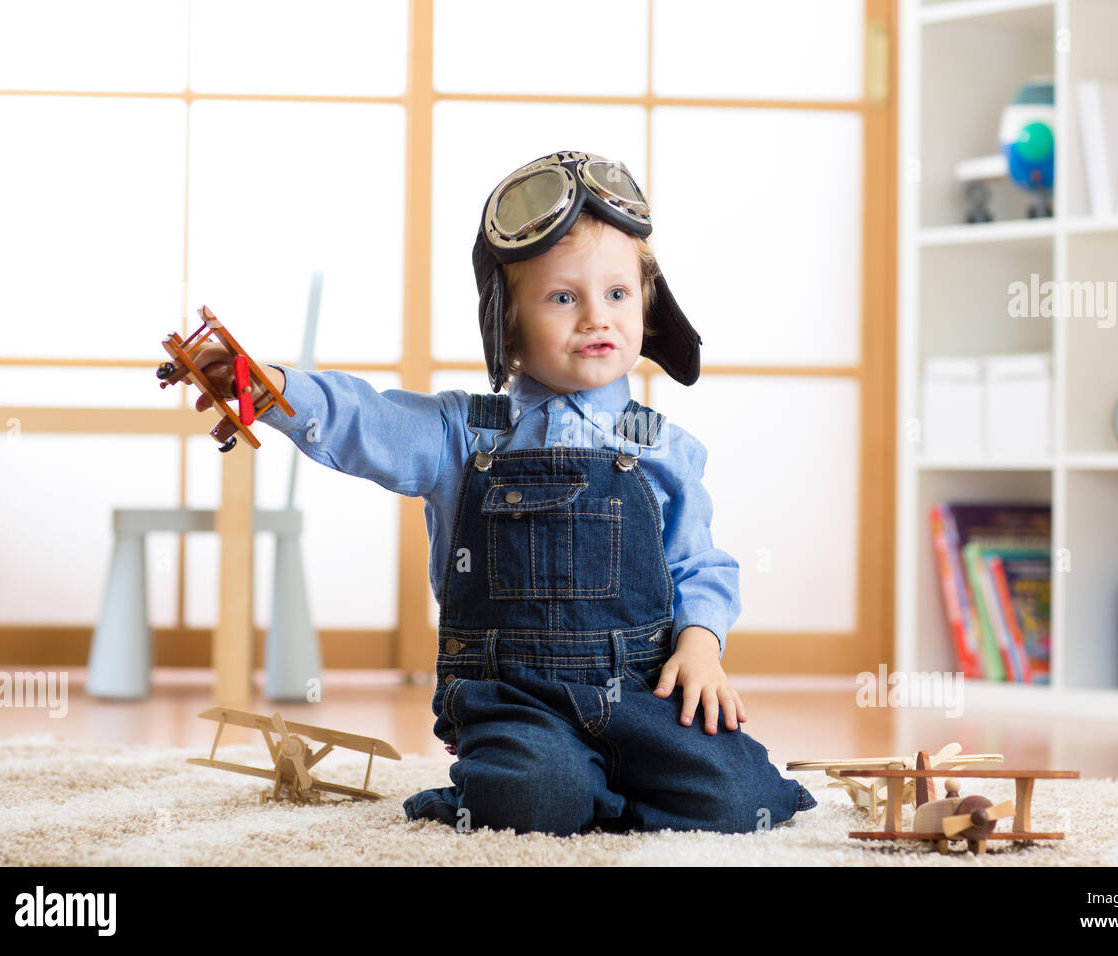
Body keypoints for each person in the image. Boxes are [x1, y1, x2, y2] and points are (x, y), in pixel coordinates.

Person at [187, 150, 816, 835]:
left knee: (739, 798)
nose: (596, 317)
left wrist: (700, 647)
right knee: (530, 802)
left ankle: (604, 782)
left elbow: (699, 565)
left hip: (642, 692)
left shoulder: (663, 446)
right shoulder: (461, 434)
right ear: (506, 323)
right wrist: (270, 387)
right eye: (563, 297)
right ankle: (540, 784)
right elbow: (364, 416)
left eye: (617, 294)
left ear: (647, 306)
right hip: (515, 699)